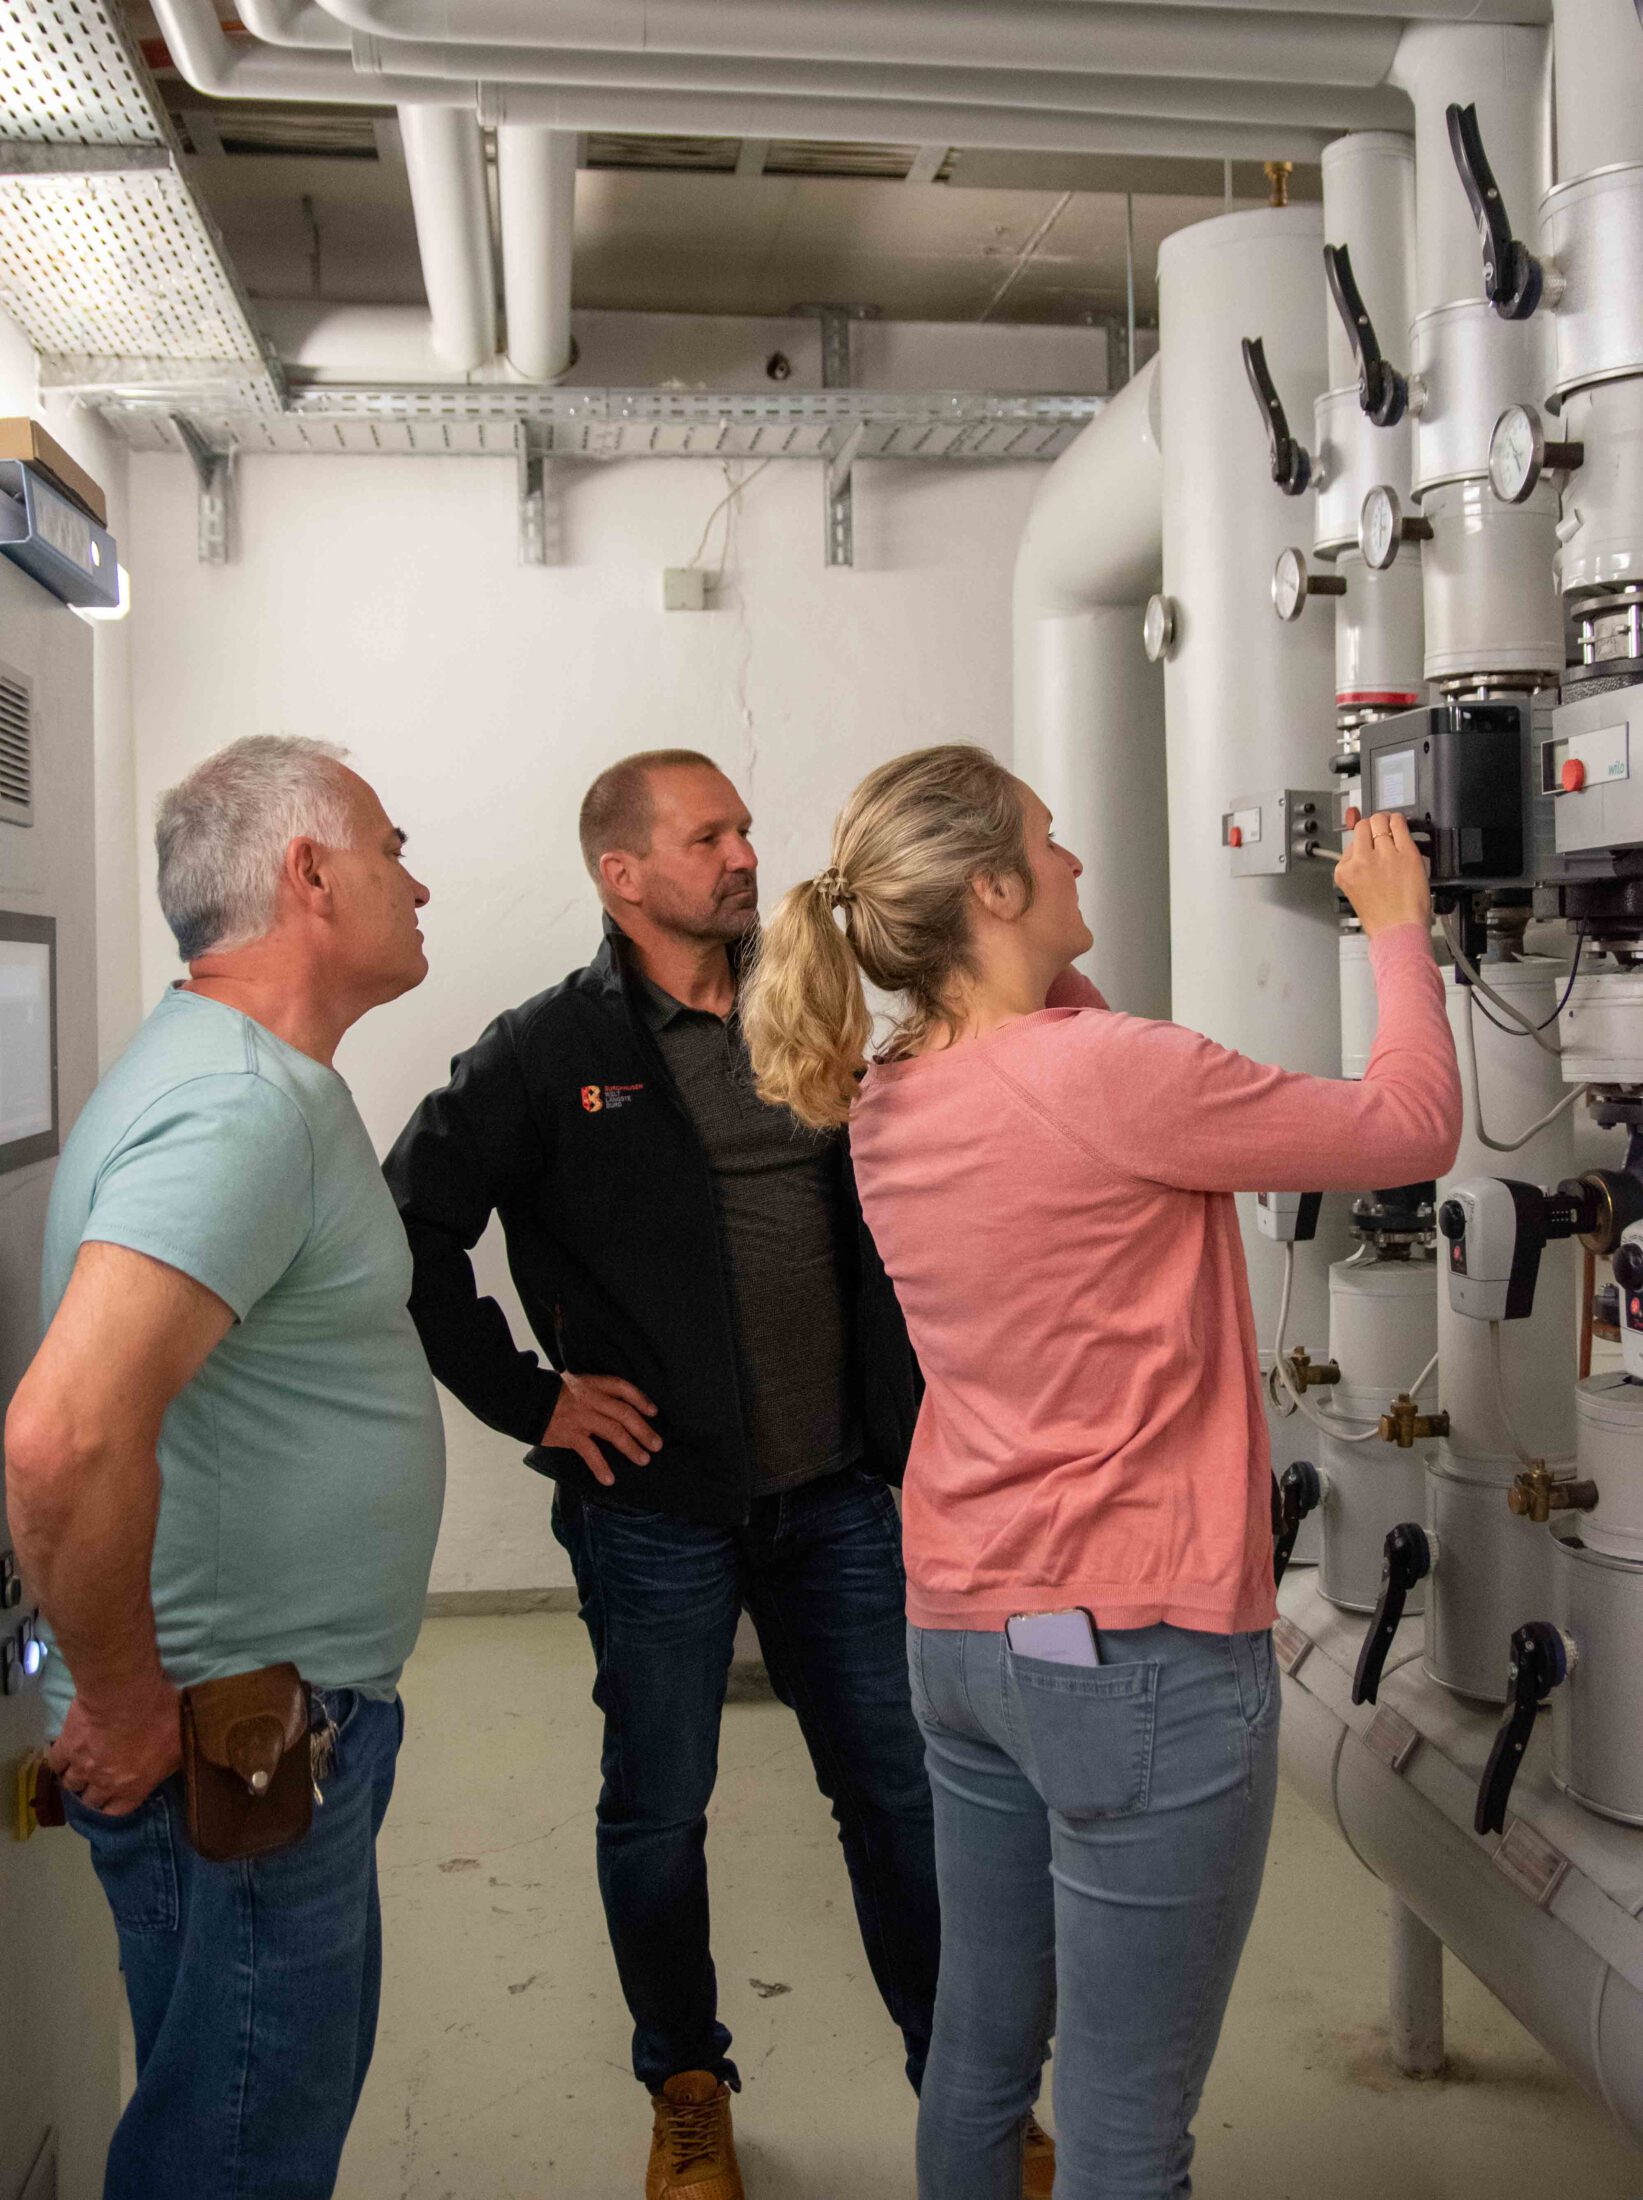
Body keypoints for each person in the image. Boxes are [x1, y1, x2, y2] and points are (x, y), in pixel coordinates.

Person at [741, 744, 1461, 2200]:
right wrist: (1397, 924)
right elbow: (1410, 1130)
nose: (1077, 865)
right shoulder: (1118, 1075)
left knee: (983, 2066)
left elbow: (1061, 1056)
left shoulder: (889, 1095)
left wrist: (1032, 978)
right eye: (1050, 846)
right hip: (1136, 1653)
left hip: (962, 1631)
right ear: (995, 887)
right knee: (1128, 2128)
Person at [385, 749, 953, 2200]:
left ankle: (970, 2089)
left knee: (895, 1793)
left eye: (746, 828)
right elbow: (408, 1236)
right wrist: (533, 1399)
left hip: (840, 1493)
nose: (744, 852)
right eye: (710, 836)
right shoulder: (543, 1052)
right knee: (660, 1804)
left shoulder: (806, 1004)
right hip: (656, 1513)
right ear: (622, 875)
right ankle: (686, 2083)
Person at [4, 736, 445, 2200]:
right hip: (228, 1739)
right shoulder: (242, 1108)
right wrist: (131, 1709)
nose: (422, 879)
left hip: (247, 1725)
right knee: (238, 2157)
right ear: (311, 875)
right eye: (393, 847)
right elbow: (64, 1437)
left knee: (231, 2112)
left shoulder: (225, 1075)